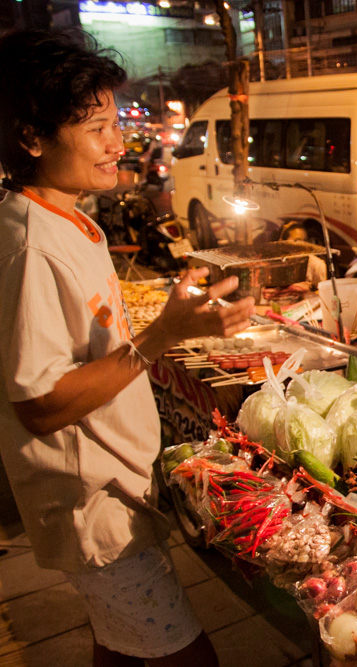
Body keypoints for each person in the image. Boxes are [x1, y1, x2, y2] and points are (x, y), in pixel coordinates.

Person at [0, 30, 256, 667]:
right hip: (93, 507)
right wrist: (161, 337)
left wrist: (176, 327)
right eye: (96, 128)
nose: (119, 143)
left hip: (115, 488)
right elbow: (37, 404)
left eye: (115, 122)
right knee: (187, 658)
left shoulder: (65, 215)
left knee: (121, 643)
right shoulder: (33, 247)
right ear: (32, 138)